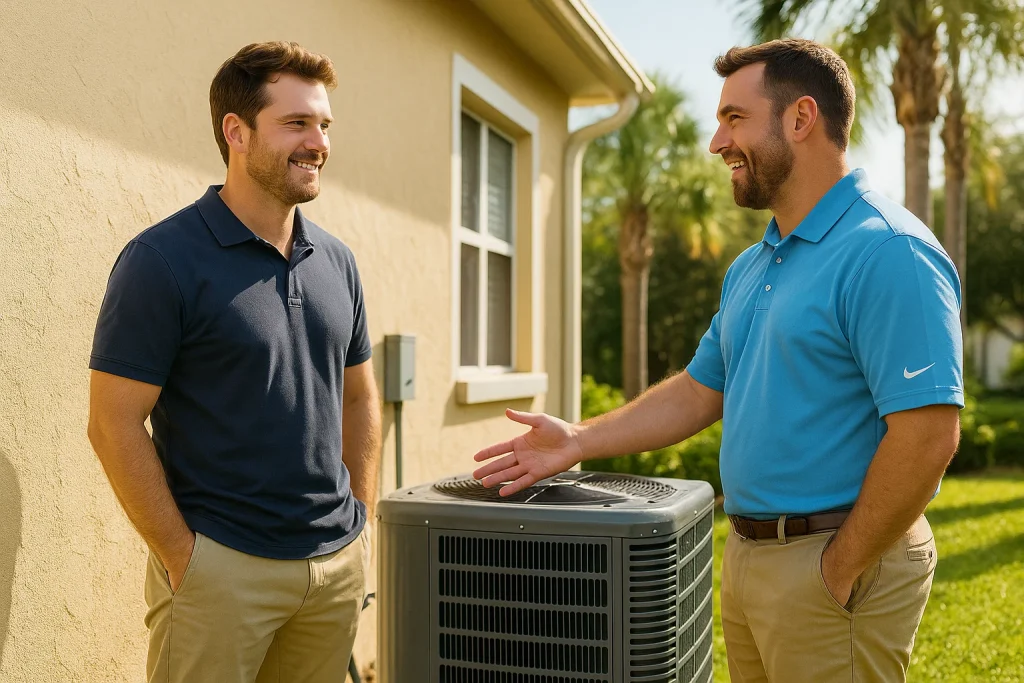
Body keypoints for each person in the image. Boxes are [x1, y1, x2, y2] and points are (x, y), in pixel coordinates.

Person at [473, 38, 962, 682]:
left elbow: (928, 435)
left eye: (735, 118)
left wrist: (837, 568)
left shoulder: (890, 251)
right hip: (749, 554)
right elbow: (700, 390)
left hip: (835, 562)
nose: (716, 142)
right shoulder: (753, 264)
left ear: (801, 118)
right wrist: (579, 439)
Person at [87, 41, 380, 683]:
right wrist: (183, 558)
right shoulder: (162, 260)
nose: (318, 143)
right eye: (296, 123)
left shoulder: (338, 262)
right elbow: (112, 424)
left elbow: (360, 397)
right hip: (221, 572)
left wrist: (361, 523)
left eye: (323, 125)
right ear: (236, 132)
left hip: (332, 568)